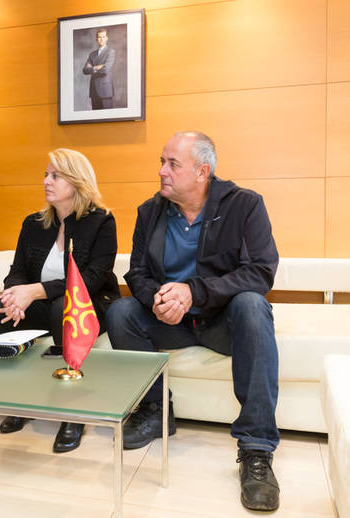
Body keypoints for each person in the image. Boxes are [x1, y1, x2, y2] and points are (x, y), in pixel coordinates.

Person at [105, 131, 280, 511]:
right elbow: (136, 273)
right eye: (161, 162)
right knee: (119, 312)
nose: (161, 171)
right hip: (173, 322)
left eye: (172, 164)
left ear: (203, 172)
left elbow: (260, 273)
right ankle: (156, 411)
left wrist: (193, 292)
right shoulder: (149, 212)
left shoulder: (245, 205)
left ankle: (256, 448)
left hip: (223, 322)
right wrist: (158, 299)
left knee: (252, 304)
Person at [0, 148, 120, 453]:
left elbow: (91, 279)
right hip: (46, 304)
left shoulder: (101, 222)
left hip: (90, 304)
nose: (46, 181)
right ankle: (19, 400)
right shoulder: (33, 223)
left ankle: (72, 412)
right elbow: (17, 272)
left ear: (77, 181)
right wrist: (15, 297)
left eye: (56, 175)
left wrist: (35, 292)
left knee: (63, 309)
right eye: (46, 174)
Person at [82, 28, 116, 110]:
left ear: (107, 38)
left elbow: (105, 70)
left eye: (103, 37)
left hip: (106, 91)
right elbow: (85, 70)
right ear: (96, 39)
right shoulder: (92, 54)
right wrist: (97, 67)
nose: (101, 39)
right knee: (96, 118)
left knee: (107, 117)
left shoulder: (111, 52)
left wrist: (92, 68)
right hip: (94, 91)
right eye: (99, 37)